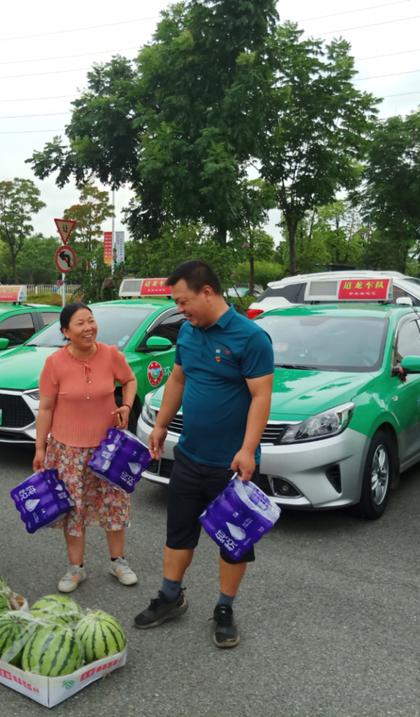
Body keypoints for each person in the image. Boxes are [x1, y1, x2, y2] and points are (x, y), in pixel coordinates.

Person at [134, 260, 274, 649]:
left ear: (207, 292)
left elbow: (261, 396)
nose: (181, 309)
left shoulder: (251, 338)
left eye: (184, 301)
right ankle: (170, 596)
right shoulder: (188, 332)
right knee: (178, 532)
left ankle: (225, 608)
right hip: (190, 457)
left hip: (233, 466)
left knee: (234, 542)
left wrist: (248, 450)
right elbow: (178, 378)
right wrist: (161, 424)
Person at [33, 302, 138, 593]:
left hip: (108, 449)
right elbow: (46, 408)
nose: (88, 328)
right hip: (68, 450)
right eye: (80, 323)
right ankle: (75, 568)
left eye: (90, 321)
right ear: (66, 331)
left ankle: (118, 561)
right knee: (73, 509)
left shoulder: (110, 355)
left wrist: (126, 405)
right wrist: (40, 448)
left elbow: (129, 379)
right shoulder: (54, 363)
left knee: (113, 503)